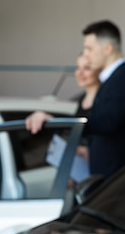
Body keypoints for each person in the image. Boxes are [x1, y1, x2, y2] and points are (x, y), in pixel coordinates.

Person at [79, 19, 125, 178]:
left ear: (107, 48)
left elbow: (105, 123)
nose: (85, 55)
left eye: (89, 49)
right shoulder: (114, 80)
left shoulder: (122, 80)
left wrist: (62, 120)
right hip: (114, 177)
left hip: (119, 182)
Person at [26, 53, 101, 182]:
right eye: (78, 68)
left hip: (99, 170)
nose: (80, 73)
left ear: (98, 70)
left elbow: (98, 130)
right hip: (80, 171)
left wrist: (89, 149)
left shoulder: (104, 100)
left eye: (87, 68)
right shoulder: (83, 98)